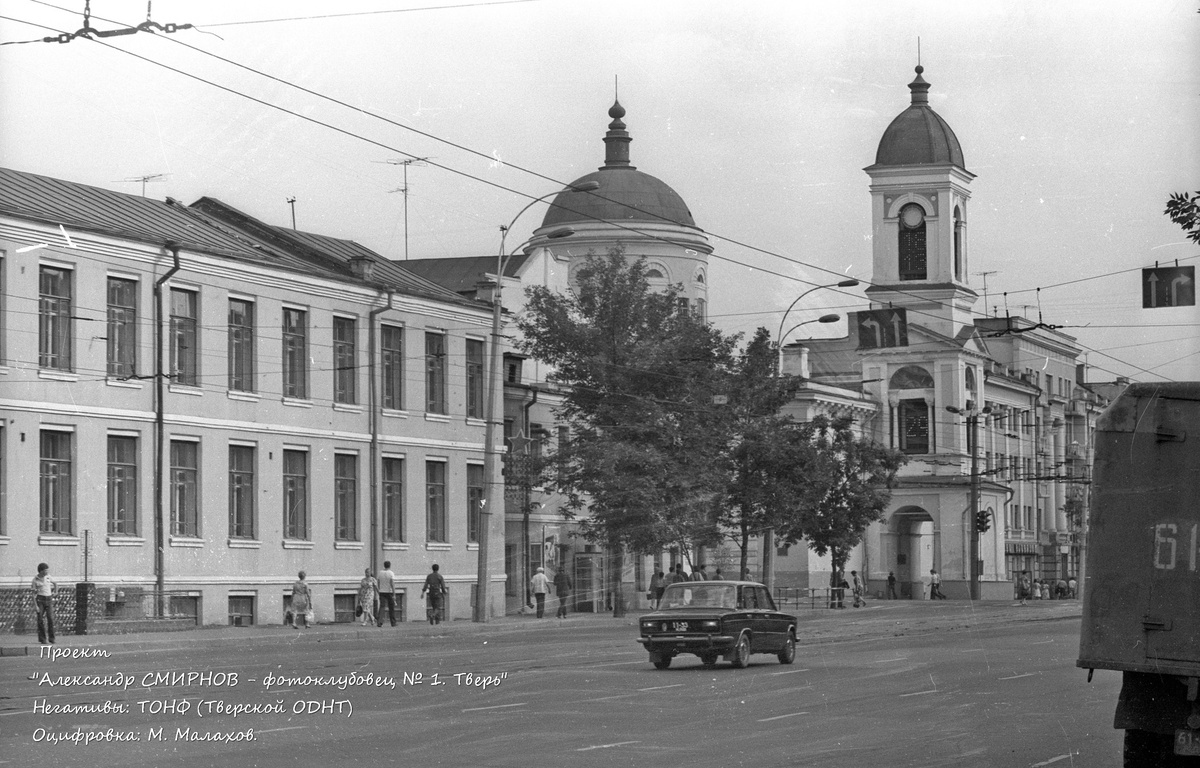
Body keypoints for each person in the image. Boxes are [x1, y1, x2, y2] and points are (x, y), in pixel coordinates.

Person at [31, 562, 55, 645]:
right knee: (40, 619)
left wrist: (56, 591)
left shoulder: (48, 577)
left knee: (50, 618)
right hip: (40, 600)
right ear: (41, 571)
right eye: (45, 570)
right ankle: (43, 639)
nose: (47, 572)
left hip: (49, 599)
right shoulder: (35, 580)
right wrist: (36, 606)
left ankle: (52, 638)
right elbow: (33, 594)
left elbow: (55, 583)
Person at [376, 561, 397, 627]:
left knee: (382, 607)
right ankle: (393, 623)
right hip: (389, 592)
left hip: (382, 591)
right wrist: (394, 594)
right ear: (390, 565)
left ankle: (379, 622)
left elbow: (378, 582)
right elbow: (392, 584)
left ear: (384, 565)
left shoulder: (380, 573)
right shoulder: (391, 573)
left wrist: (379, 590)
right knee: (391, 607)